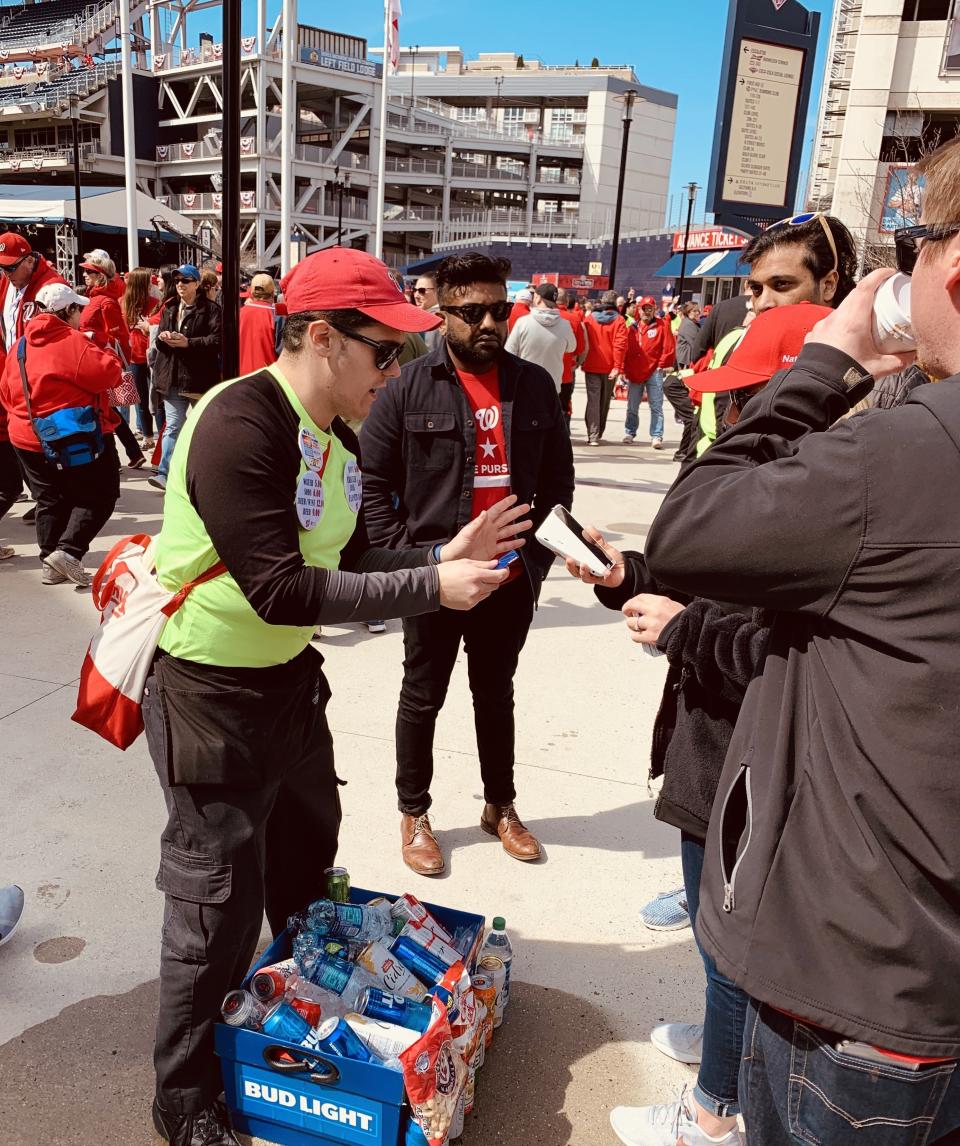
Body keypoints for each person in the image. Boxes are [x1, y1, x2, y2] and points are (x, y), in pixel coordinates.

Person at [143, 246, 522, 1146]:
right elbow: (282, 588)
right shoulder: (240, 423)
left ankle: (298, 1029)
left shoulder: (335, 437)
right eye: (382, 350)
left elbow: (347, 560)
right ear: (322, 338)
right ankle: (186, 1100)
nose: (394, 373)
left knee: (306, 864)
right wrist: (432, 591)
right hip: (209, 692)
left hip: (286, 687)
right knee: (216, 908)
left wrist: (435, 556)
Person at [643, 141, 960, 1145]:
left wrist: (824, 366)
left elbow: (691, 530)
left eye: (914, 247)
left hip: (861, 980)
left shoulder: (910, 448)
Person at [360, 253, 575, 876]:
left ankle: (499, 805)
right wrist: (409, 561)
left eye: (496, 310)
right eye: (470, 311)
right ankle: (414, 811)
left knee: (495, 692)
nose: (487, 323)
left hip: (509, 577)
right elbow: (374, 482)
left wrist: (534, 560)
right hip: (434, 575)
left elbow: (557, 479)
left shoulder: (533, 384)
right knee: (422, 695)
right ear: (441, 313)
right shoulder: (405, 387)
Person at [0, 281, 120, 586]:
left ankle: (50, 563)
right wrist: (100, 346)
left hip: (25, 435)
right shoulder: (73, 340)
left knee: (49, 498)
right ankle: (68, 552)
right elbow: (110, 374)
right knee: (100, 494)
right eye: (78, 309)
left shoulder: (21, 345)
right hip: (70, 434)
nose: (81, 315)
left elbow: (5, 391)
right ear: (68, 311)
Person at [149, 263, 222, 492]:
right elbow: (159, 345)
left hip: (198, 379)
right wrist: (164, 338)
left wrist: (189, 343)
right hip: (172, 377)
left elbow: (217, 341)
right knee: (172, 426)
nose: (180, 284)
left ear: (197, 284)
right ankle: (165, 473)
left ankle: (208, 472)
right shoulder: (170, 308)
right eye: (177, 281)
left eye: (185, 281)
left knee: (203, 427)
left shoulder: (211, 310)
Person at [79, 252, 145, 471]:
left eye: (90, 271)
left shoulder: (106, 302)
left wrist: (90, 337)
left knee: (105, 411)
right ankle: (130, 454)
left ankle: (116, 459)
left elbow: (119, 338)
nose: (85, 274)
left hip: (100, 363)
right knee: (107, 411)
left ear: (100, 276)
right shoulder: (93, 299)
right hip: (92, 361)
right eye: (85, 270)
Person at [0, 231, 65, 378]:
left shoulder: (53, 287)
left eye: (11, 267)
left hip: (40, 381)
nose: (7, 273)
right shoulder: (6, 282)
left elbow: (63, 343)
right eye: (2, 267)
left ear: (30, 261)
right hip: (12, 377)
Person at [621, 295, 675, 448]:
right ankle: (630, 432)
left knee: (656, 405)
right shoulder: (632, 328)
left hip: (654, 371)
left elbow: (668, 346)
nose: (647, 312)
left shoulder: (662, 326)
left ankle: (657, 435)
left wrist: (662, 364)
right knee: (632, 405)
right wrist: (625, 368)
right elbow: (626, 349)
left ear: (654, 309)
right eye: (644, 309)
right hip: (636, 370)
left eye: (650, 308)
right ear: (639, 310)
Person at [503, 282, 576, 394]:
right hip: (552, 386)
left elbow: (509, 352)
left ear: (537, 298)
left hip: (525, 385)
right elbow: (571, 348)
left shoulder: (523, 322)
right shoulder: (565, 325)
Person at [581, 289, 628, 445]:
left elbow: (583, 341)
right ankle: (599, 432)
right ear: (615, 304)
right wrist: (617, 366)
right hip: (609, 366)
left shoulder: (590, 319)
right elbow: (619, 345)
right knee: (605, 400)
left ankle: (592, 434)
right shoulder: (619, 320)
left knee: (593, 400)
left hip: (591, 364)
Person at [122, 268, 160, 451]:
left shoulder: (155, 303)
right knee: (142, 399)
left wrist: (147, 328)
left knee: (154, 399)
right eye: (147, 282)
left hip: (150, 356)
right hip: (136, 356)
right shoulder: (123, 303)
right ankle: (148, 436)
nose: (151, 285)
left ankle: (158, 437)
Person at [238, 272, 282, 375]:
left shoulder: (238, 314)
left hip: (241, 379)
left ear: (252, 293)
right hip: (268, 380)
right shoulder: (276, 316)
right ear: (272, 293)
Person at [557, 288, 589, 430]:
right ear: (567, 301)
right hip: (566, 373)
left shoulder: (532, 318)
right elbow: (580, 348)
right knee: (564, 406)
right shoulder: (574, 319)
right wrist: (576, 364)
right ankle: (564, 436)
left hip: (542, 372)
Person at [413, 271, 443, 353]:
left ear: (438, 292)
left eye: (421, 291)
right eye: (415, 290)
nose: (416, 295)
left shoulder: (435, 319)